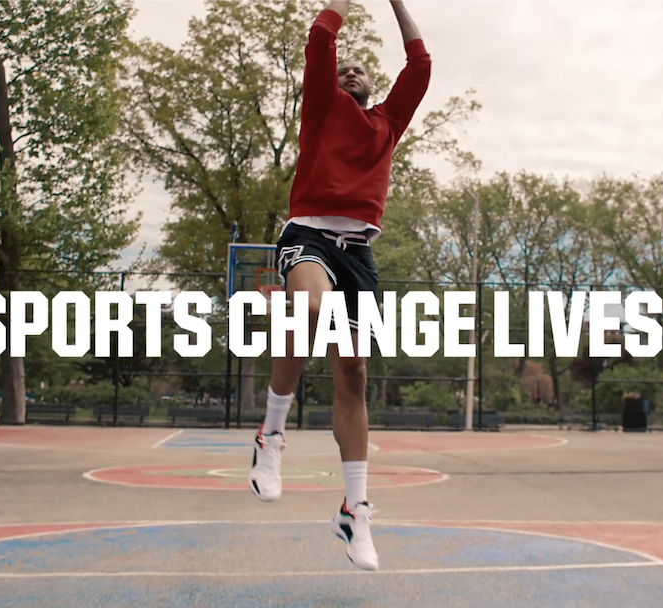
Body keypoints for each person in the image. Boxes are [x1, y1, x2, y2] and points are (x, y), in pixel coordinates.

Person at [248, 0, 431, 571]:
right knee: (309, 308)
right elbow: (321, 37)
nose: (350, 72)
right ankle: (271, 435)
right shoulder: (323, 107)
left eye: (359, 70)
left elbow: (420, 65)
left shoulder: (387, 124)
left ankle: (355, 510)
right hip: (309, 233)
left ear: (372, 87)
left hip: (359, 256)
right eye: (344, 69)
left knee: (352, 370)